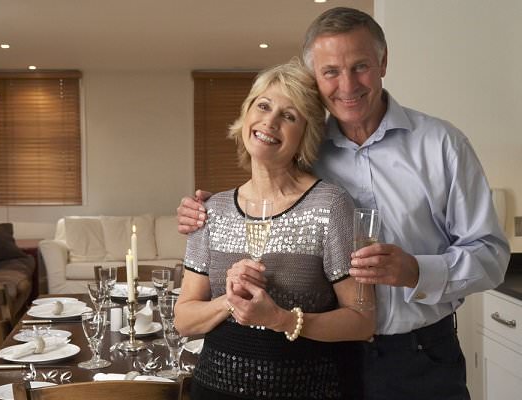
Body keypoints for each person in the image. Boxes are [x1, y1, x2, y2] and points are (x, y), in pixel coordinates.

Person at [177, 7, 510, 400]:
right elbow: (263, 183)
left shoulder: (441, 146)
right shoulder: (304, 148)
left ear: (383, 62)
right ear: (316, 77)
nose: (347, 84)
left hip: (416, 354)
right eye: (331, 71)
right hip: (325, 359)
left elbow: (491, 257)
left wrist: (416, 270)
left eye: (361, 66)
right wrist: (205, 210)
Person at [174, 59, 375, 400]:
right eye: (263, 106)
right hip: (213, 390)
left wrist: (281, 319)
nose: (270, 121)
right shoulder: (211, 211)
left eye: (289, 115)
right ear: (246, 115)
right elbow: (183, 319)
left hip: (308, 390)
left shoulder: (330, 205)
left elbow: (362, 320)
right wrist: (230, 300)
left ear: (305, 136)